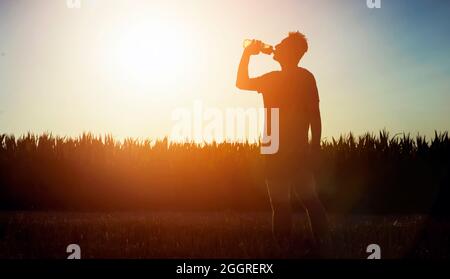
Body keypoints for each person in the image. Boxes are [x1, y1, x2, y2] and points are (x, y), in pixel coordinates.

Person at [236, 32, 330, 253]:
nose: (274, 47)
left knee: (296, 202)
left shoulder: (297, 78)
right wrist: (247, 52)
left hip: (285, 146)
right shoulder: (296, 77)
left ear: (290, 52)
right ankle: (297, 246)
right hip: (281, 145)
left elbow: (314, 115)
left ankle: (296, 247)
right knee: (297, 202)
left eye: (280, 45)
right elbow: (240, 83)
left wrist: (247, 53)